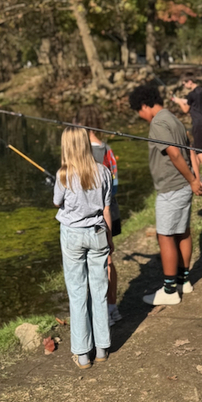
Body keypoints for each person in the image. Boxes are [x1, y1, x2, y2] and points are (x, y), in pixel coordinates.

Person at [128, 83, 202, 306]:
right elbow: (191, 149)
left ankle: (170, 290)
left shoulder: (158, 123)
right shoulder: (173, 118)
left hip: (172, 188)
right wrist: (195, 178)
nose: (141, 116)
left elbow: (173, 153)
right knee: (182, 232)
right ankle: (184, 281)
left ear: (144, 105)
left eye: (139, 111)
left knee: (165, 236)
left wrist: (192, 180)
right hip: (183, 186)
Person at [53, 126, 113, 368]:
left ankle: (83, 353)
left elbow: (56, 201)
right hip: (98, 232)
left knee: (78, 292)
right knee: (99, 290)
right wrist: (110, 239)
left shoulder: (63, 175)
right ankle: (101, 349)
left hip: (72, 236)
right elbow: (106, 208)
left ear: (67, 147)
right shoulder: (103, 171)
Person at [76, 105, 122, 326]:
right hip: (110, 210)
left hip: (90, 217)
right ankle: (112, 308)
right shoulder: (107, 150)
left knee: (91, 263)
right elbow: (114, 185)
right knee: (109, 260)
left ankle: (99, 311)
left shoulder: (77, 153)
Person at [170, 79, 202, 184]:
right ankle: (196, 175)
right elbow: (191, 102)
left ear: (189, 81)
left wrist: (179, 102)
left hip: (197, 123)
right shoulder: (200, 91)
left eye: (184, 84)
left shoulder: (191, 94)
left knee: (198, 151)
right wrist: (178, 99)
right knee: (194, 149)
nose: (184, 86)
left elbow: (185, 109)